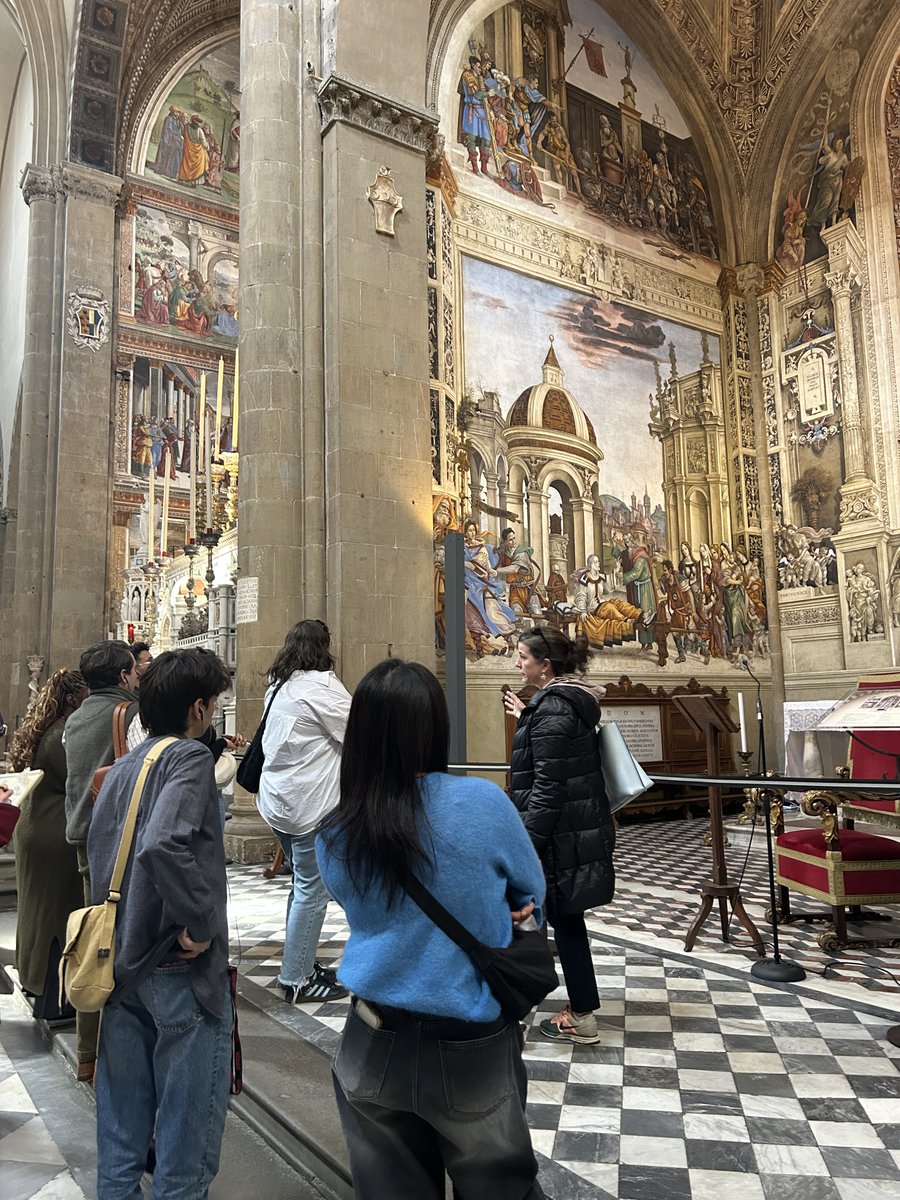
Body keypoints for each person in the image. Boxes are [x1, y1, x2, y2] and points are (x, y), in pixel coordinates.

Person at [317, 659, 548, 1200]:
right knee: (501, 1190)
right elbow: (532, 890)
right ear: (435, 726)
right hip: (468, 1042)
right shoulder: (483, 803)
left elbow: (358, 907)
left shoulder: (338, 829)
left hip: (371, 1038)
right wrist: (510, 912)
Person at [88, 648, 233, 1200]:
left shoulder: (122, 767)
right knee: (183, 1145)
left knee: (122, 1134)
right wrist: (198, 922)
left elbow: (98, 845)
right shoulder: (189, 758)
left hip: (121, 965)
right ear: (198, 708)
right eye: (214, 703)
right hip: (175, 967)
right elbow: (162, 845)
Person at [504, 625, 615, 1045]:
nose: (518, 663)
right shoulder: (561, 702)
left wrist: (526, 846)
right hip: (572, 829)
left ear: (544, 665)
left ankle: (530, 1006)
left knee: (535, 918)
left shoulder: (553, 708)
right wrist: (528, 717)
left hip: (556, 836)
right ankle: (575, 1010)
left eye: (523, 656)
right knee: (562, 921)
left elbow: (549, 786)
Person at [256, 619, 350, 1004]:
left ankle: (303, 964)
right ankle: (296, 977)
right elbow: (358, 729)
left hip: (277, 802)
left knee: (303, 886)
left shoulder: (278, 687)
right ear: (324, 647)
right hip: (309, 806)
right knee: (313, 891)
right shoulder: (322, 688)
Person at [63, 639, 140, 1080]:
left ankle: (88, 1052)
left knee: (92, 940)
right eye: (134, 670)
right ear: (124, 675)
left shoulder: (76, 716)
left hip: (82, 835)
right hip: (115, 838)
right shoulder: (127, 714)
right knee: (117, 943)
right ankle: (121, 1050)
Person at [9, 669, 88, 1021]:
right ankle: (54, 1000)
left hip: (35, 826)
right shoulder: (61, 737)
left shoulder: (47, 729)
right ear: (73, 699)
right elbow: (81, 780)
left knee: (37, 912)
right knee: (59, 915)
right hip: (52, 832)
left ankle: (33, 982)